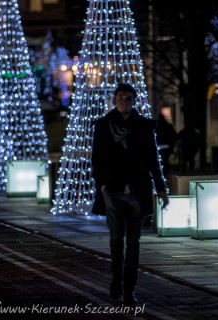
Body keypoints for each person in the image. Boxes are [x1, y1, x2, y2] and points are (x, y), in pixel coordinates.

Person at [91, 83, 169, 305]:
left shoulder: (144, 126)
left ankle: (128, 288)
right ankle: (117, 277)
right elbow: (96, 159)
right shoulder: (104, 125)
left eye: (128, 98)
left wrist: (161, 188)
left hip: (138, 189)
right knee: (117, 238)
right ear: (114, 100)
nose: (124, 101)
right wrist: (102, 184)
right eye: (121, 98)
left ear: (134, 100)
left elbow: (153, 159)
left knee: (133, 241)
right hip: (113, 190)